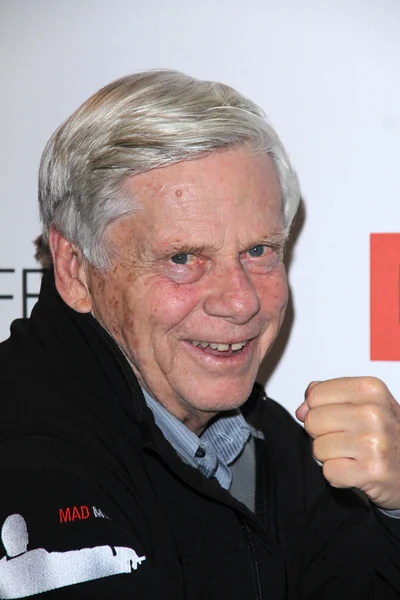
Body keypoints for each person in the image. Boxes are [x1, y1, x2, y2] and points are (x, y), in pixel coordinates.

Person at [0, 70, 399, 599]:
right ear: (75, 269)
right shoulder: (24, 449)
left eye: (259, 251)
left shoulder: (269, 442)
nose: (241, 301)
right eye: (183, 258)